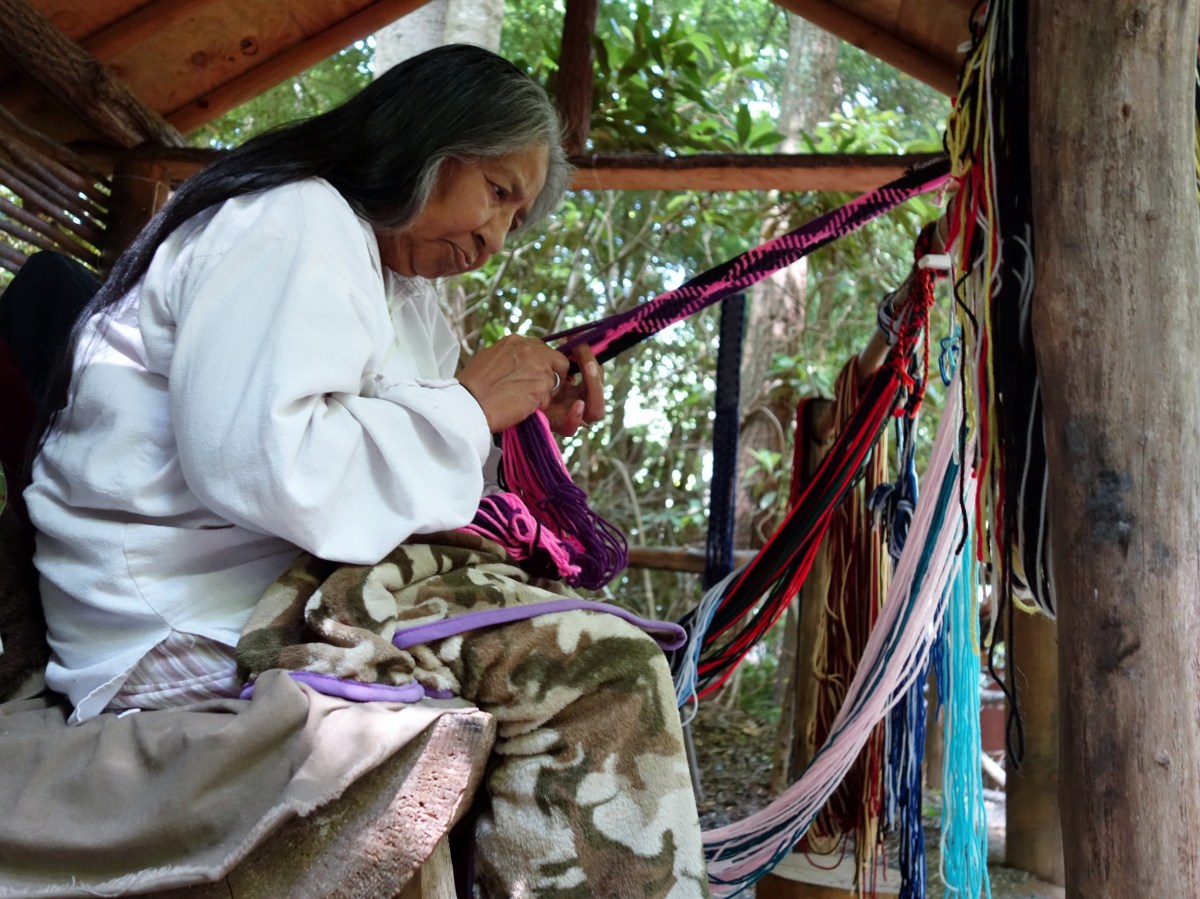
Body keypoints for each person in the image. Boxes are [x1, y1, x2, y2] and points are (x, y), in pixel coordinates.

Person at [23, 44, 709, 897]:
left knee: (587, 657)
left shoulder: (404, 292)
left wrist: (514, 430)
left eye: (515, 222)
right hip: (170, 614)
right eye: (497, 193)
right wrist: (467, 405)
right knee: (603, 668)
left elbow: (387, 454)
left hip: (264, 589)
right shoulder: (293, 219)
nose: (493, 239)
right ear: (428, 139)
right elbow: (263, 465)